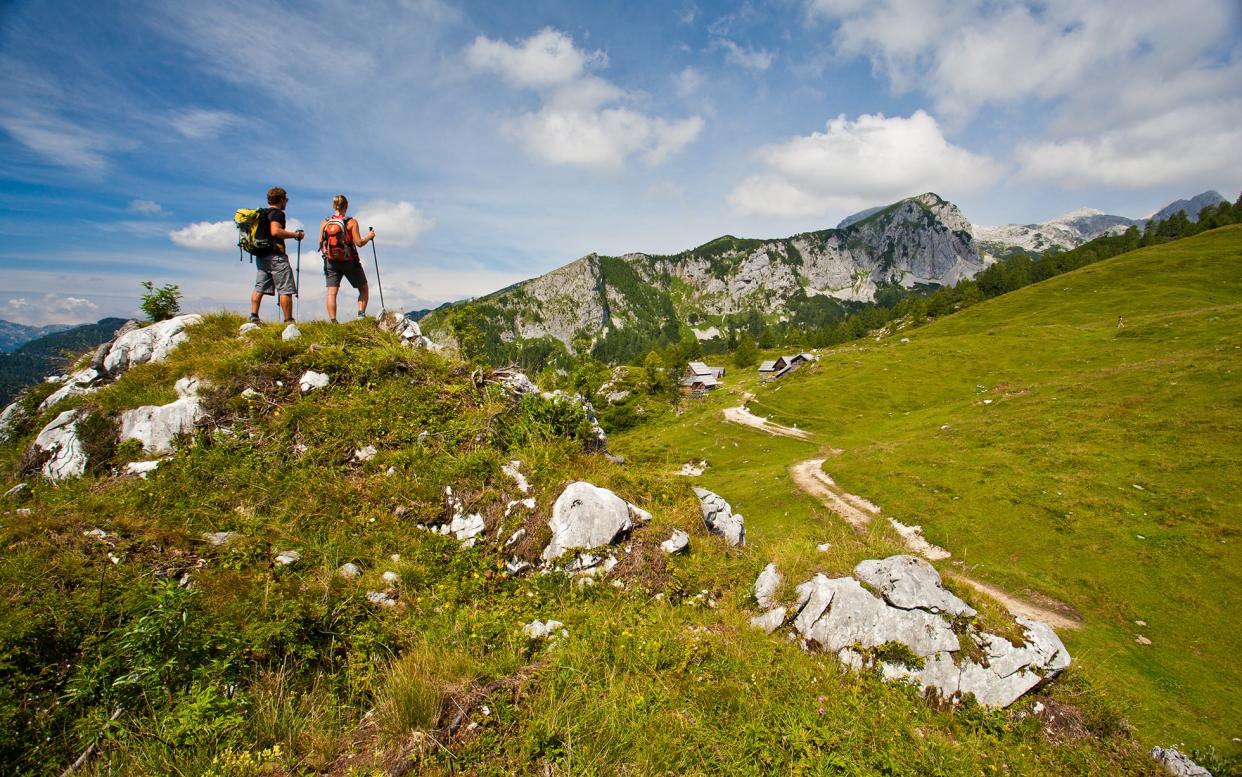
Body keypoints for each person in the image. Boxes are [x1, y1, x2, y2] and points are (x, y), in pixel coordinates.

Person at [249, 187, 304, 323]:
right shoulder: (277, 213)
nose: (286, 202)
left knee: (259, 287)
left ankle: (254, 316)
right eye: (285, 199)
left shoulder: (262, 214)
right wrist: (295, 235)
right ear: (280, 200)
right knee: (286, 288)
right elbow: (275, 231)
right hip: (276, 256)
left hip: (261, 256)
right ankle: (288, 320)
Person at [318, 195, 375, 322]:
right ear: (347, 206)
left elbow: (320, 243)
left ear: (333, 206)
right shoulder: (351, 222)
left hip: (331, 261)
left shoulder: (325, 222)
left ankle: (333, 321)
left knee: (331, 293)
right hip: (349, 261)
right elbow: (359, 243)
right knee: (363, 288)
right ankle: (361, 315)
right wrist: (369, 236)